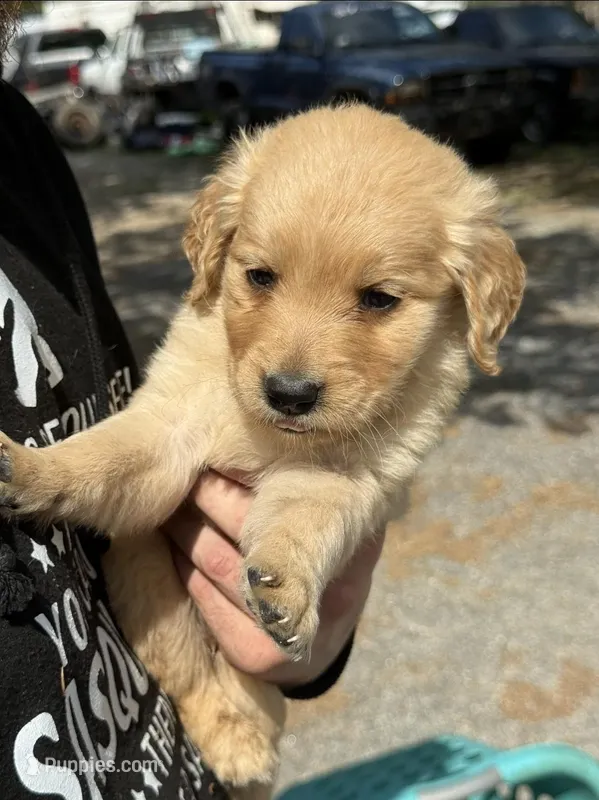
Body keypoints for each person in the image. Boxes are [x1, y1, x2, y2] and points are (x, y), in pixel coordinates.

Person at [0, 3, 384, 798]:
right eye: (261, 278)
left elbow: (148, 444)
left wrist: (310, 628)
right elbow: (159, 435)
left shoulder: (17, 146)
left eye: (377, 298)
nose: (294, 365)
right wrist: (41, 477)